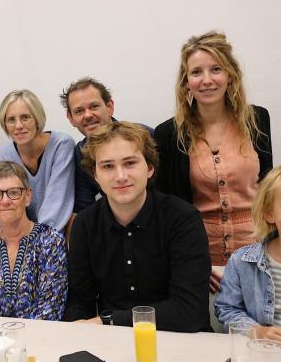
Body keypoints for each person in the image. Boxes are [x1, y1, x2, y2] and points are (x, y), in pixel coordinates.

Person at [65, 121, 211, 333]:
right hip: (110, 342)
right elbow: (79, 302)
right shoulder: (85, 224)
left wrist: (108, 321)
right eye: (107, 166)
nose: (120, 176)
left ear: (150, 168)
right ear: (95, 175)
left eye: (130, 163)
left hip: (179, 340)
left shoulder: (183, 219)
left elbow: (189, 311)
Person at [154, 31, 272, 292]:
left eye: (216, 69)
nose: (206, 80)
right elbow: (168, 206)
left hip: (259, 252)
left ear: (230, 75)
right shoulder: (169, 133)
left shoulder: (257, 120)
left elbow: (268, 188)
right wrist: (193, 262)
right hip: (200, 260)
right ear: (186, 82)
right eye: (196, 72)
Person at [215, 163, 281, 353]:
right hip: (260, 356)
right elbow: (227, 310)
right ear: (269, 213)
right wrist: (257, 331)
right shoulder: (242, 262)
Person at [0, 161, 67, 320]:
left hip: (38, 341)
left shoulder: (51, 241)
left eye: (13, 192)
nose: (5, 201)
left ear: (27, 196)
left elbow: (50, 311)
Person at [0, 89, 75, 232]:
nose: (19, 126)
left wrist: (35, 243)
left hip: (53, 235)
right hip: (19, 237)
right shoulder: (5, 154)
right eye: (11, 120)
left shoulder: (61, 145)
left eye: (25, 117)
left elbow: (57, 204)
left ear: (38, 119)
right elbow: (6, 205)